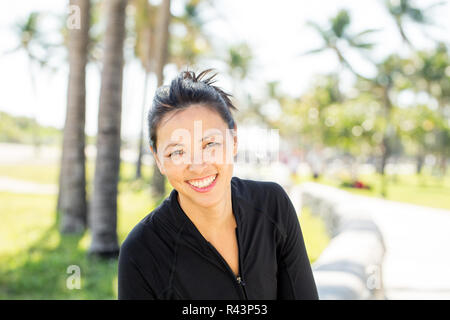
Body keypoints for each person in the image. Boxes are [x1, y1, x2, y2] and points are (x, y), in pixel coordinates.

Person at [118, 69, 318, 300]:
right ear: (158, 159)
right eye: (178, 152)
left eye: (210, 144)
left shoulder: (273, 205)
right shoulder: (141, 252)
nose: (198, 165)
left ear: (234, 141)